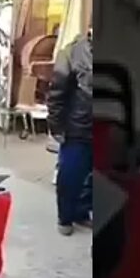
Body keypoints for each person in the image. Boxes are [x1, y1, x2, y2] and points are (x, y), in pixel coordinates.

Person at [46, 32, 93, 235]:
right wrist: (56, 126)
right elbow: (56, 92)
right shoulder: (71, 53)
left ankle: (82, 212)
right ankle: (65, 217)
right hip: (78, 129)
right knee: (70, 176)